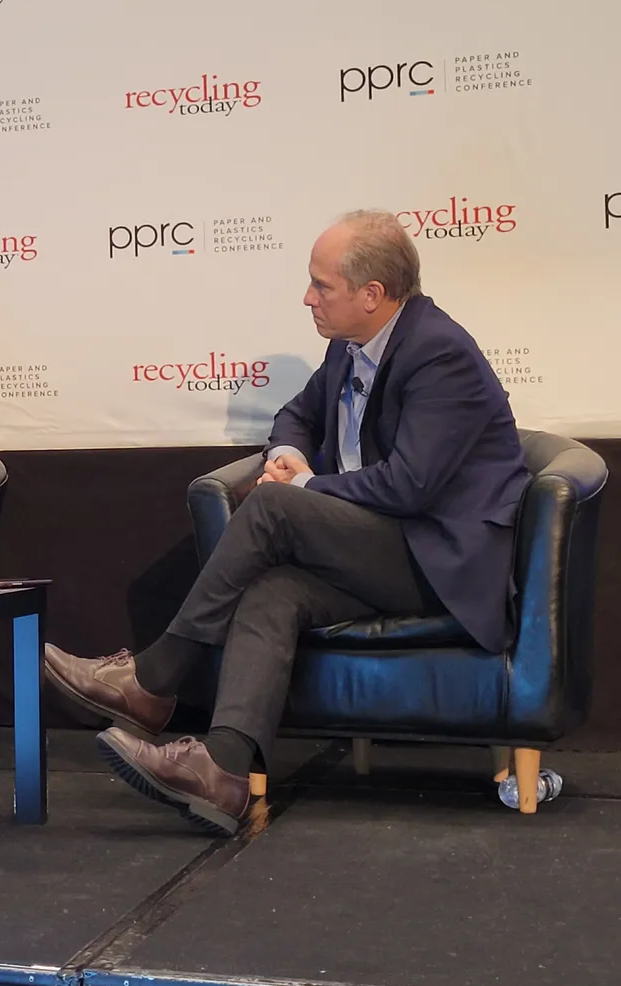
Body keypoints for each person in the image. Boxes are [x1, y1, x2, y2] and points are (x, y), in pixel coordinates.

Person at [42, 210, 529, 835]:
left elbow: (412, 486)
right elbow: (296, 413)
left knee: (273, 505)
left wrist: (302, 486)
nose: (308, 297)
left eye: (322, 285)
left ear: (371, 295)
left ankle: (154, 679)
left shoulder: (439, 354)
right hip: (379, 547)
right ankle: (222, 772)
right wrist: (288, 455)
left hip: (437, 563)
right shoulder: (350, 344)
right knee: (274, 594)